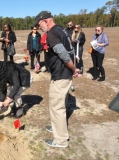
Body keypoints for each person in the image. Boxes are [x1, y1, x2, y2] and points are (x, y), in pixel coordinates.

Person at [33, 10, 81, 148]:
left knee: (56, 107)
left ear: (45, 21)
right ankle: (56, 127)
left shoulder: (52, 33)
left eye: (39, 24)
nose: (38, 27)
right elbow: (72, 51)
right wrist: (75, 68)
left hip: (61, 76)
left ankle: (60, 140)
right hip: (64, 74)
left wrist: (73, 70)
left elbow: (65, 55)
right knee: (60, 104)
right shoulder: (61, 30)